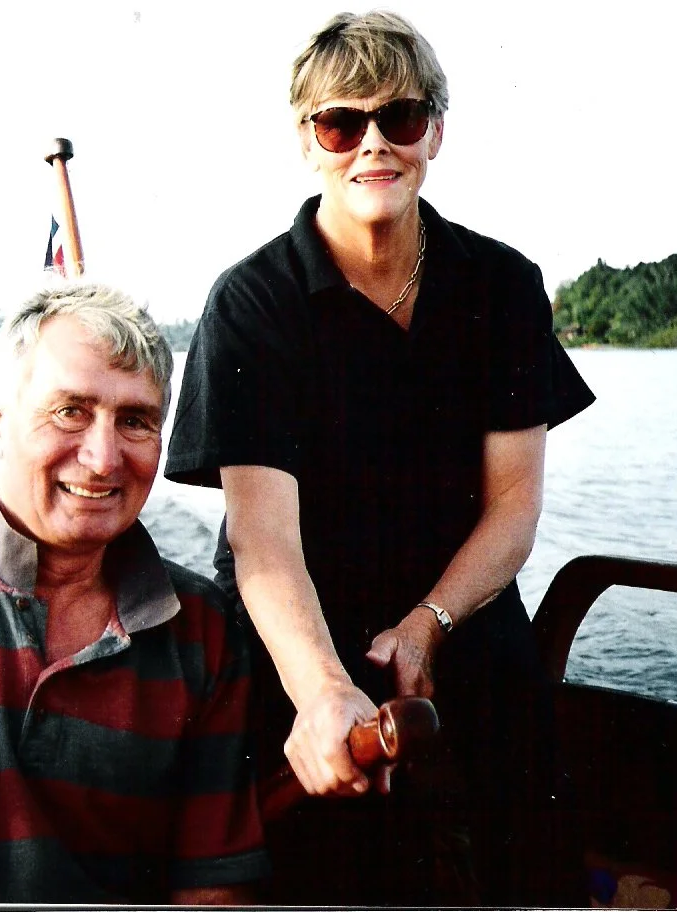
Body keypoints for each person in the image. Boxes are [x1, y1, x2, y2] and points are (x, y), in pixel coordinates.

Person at [164, 11, 596, 907]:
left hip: (460, 602)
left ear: (435, 132)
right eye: (340, 123)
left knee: (535, 834)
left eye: (400, 117)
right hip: (304, 624)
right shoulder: (253, 304)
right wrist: (324, 687)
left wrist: (428, 626)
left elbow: (514, 507)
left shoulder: (500, 285)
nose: (374, 144)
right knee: (320, 856)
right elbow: (263, 543)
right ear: (307, 142)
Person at [0, 282, 269, 904]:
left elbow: (212, 890)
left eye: (135, 421)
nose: (103, 459)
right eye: (70, 411)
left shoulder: (202, 629)